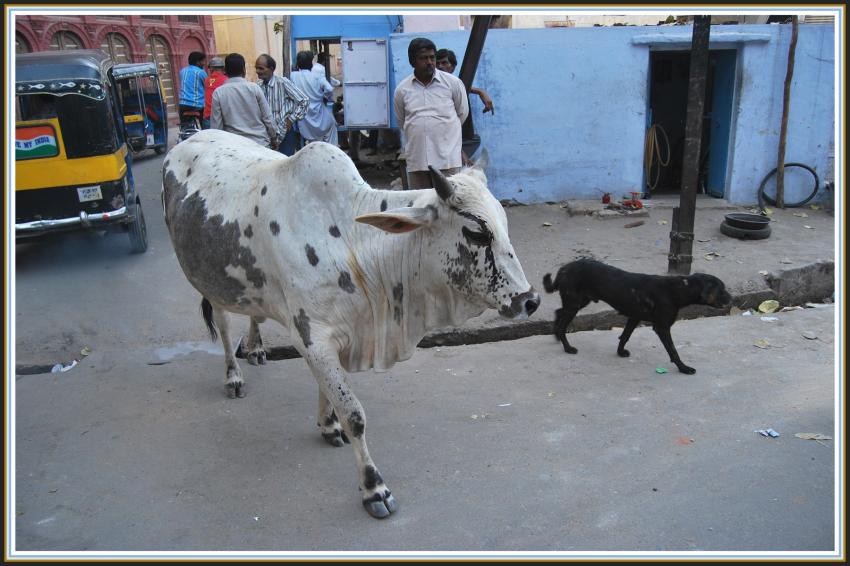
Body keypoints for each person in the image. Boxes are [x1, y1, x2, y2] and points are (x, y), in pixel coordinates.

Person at [393, 37, 469, 189]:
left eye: (432, 57)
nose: (429, 62)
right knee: (423, 206)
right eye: (423, 58)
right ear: (412, 61)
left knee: (450, 206)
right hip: (418, 160)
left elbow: (462, 113)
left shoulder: (452, 83)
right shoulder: (402, 90)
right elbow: (402, 121)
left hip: (447, 159)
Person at [210, 53, 277, 148]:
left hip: (234, 148)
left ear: (225, 71)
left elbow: (216, 127)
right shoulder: (254, 88)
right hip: (260, 144)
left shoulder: (218, 93)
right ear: (244, 70)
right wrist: (274, 138)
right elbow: (268, 118)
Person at [255, 53, 309, 156]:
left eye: (261, 68)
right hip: (266, 135)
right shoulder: (257, 86)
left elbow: (304, 101)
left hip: (284, 133)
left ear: (271, 69)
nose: (258, 71)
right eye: (256, 68)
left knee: (285, 162)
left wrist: (292, 119)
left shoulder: (282, 83)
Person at [290, 50, 339, 146]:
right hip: (320, 115)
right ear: (311, 63)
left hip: (305, 120)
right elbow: (329, 89)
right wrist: (325, 97)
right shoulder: (317, 76)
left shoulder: (293, 76)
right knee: (332, 125)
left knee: (314, 141)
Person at [435, 48, 495, 114]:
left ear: (453, 67)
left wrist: (480, 92)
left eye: (444, 63)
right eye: (437, 63)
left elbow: (457, 86)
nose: (440, 66)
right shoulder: (430, 83)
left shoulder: (455, 84)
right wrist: (480, 91)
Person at [178, 51, 207, 124]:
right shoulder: (201, 72)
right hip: (197, 105)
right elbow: (207, 86)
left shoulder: (182, 71)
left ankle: (184, 132)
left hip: (183, 104)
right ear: (198, 62)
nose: (204, 63)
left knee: (184, 125)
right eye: (203, 61)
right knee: (205, 125)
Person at [202, 57, 227, 130]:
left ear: (211, 69)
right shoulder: (225, 80)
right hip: (220, 117)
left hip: (207, 116)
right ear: (223, 68)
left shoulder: (207, 80)